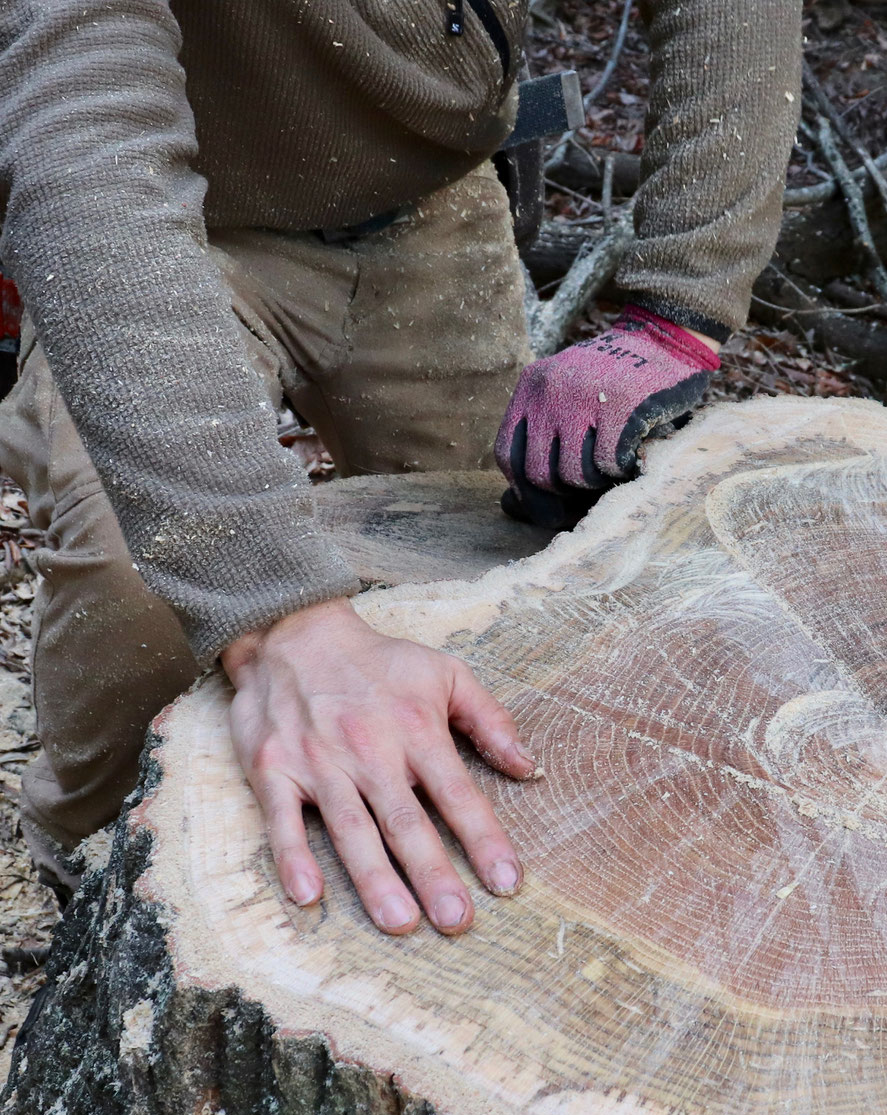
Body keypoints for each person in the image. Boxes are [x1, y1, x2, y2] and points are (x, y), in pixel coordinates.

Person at [0, 0, 801, 935]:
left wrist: (682, 298)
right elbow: (87, 147)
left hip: (427, 208)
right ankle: (88, 885)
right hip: (164, 232)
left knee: (505, 583)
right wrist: (273, 612)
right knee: (139, 583)